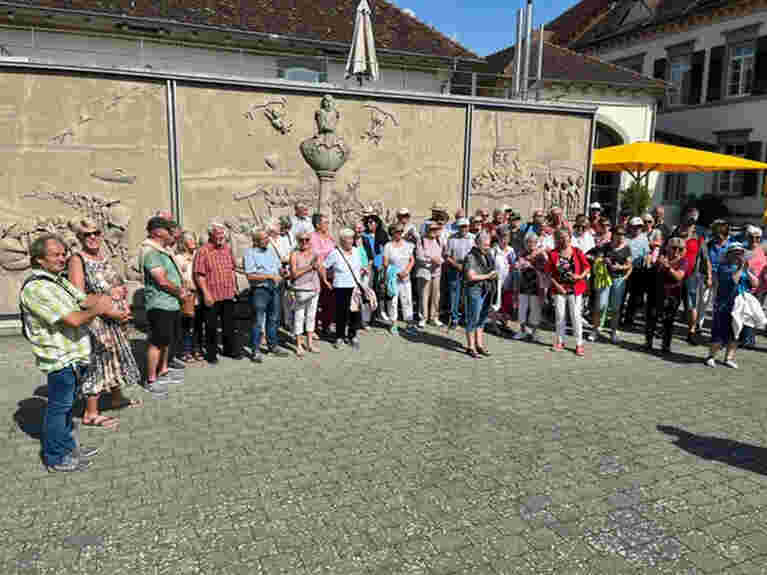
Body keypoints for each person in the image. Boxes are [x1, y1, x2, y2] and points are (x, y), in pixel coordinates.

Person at [20, 234, 115, 472]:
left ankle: (67, 446)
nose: (62, 258)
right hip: (60, 358)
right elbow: (73, 319)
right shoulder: (36, 288)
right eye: (56, 255)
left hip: (75, 355)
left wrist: (106, 296)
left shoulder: (58, 281)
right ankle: (54, 457)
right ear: (39, 259)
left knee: (67, 406)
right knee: (58, 408)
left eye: (63, 254)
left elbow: (83, 300)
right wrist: (100, 308)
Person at [67, 218, 141, 429]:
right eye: (86, 234)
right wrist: (109, 308)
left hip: (113, 318)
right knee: (98, 362)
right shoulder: (77, 259)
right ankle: (91, 413)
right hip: (96, 321)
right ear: (79, 238)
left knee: (115, 356)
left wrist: (122, 304)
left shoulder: (102, 255)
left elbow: (114, 283)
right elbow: (79, 296)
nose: (92, 237)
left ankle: (117, 397)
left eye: (96, 233)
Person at [142, 217, 187, 395]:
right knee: (157, 341)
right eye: (168, 230)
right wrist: (179, 292)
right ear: (158, 232)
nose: (171, 234)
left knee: (166, 340)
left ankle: (163, 371)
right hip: (159, 303)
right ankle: (151, 379)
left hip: (170, 303)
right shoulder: (151, 252)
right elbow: (161, 280)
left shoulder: (163, 251)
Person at [704, 242, 758, 369]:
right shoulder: (723, 267)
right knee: (719, 331)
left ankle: (729, 358)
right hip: (724, 305)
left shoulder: (744, 268)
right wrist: (740, 268)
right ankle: (711, 356)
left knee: (735, 332)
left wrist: (747, 271)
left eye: (740, 253)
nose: (739, 255)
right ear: (729, 254)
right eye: (736, 253)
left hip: (740, 306)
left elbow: (755, 283)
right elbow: (733, 280)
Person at [194, 221, 240, 363]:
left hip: (227, 292)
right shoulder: (203, 251)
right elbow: (198, 275)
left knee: (229, 325)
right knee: (211, 326)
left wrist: (235, 287)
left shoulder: (227, 249)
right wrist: (206, 294)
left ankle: (229, 350)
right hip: (212, 295)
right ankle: (211, 354)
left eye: (223, 233)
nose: (221, 236)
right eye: (218, 233)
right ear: (210, 235)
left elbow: (232, 268)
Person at [244, 228, 289, 363]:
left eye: (267, 237)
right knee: (258, 321)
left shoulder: (270, 251)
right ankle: (255, 350)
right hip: (260, 291)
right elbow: (250, 276)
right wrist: (269, 276)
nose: (268, 240)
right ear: (256, 241)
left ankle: (272, 345)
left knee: (274, 319)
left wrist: (282, 271)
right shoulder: (250, 253)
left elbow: (277, 268)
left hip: (274, 289)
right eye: (264, 238)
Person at [546, 227, 591, 356]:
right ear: (557, 239)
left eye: (565, 237)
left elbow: (587, 267)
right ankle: (560, 341)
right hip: (559, 288)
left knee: (576, 316)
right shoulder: (553, 253)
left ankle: (579, 344)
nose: (563, 240)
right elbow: (549, 273)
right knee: (560, 316)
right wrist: (557, 286)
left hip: (575, 288)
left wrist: (580, 276)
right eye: (560, 238)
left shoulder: (577, 252)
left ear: (570, 238)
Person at [587, 225, 631, 343]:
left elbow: (629, 264)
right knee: (600, 305)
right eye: (618, 234)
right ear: (613, 235)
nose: (621, 236)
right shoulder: (606, 246)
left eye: (623, 234)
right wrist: (602, 260)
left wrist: (620, 267)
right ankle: (595, 330)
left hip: (618, 279)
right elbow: (595, 257)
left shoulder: (626, 248)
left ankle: (613, 332)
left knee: (615, 308)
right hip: (605, 278)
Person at [320, 228, 363, 349]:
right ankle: (339, 336)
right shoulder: (335, 253)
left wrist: (363, 270)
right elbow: (323, 266)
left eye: (352, 238)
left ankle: (352, 335)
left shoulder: (356, 251)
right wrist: (325, 280)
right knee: (341, 313)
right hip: (341, 287)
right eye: (348, 239)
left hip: (354, 286)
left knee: (354, 313)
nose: (350, 241)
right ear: (342, 240)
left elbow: (359, 266)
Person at [645, 237, 687, 353]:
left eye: (680, 249)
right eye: (674, 248)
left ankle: (666, 345)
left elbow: (679, 276)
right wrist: (654, 262)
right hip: (656, 293)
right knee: (651, 318)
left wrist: (668, 267)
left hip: (672, 295)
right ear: (668, 248)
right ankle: (648, 342)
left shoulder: (683, 261)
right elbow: (650, 271)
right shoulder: (660, 258)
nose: (676, 251)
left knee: (668, 321)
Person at [462, 232, 497, 358]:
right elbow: (470, 276)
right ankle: (470, 347)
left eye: (489, 245)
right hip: (474, 290)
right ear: (477, 244)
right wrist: (488, 276)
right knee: (473, 318)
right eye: (485, 245)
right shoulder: (471, 256)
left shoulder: (487, 255)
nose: (488, 247)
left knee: (482, 319)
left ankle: (479, 345)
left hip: (486, 289)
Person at [696, 219, 732, 336]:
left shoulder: (730, 246)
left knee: (718, 303)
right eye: (716, 236)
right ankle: (698, 325)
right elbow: (706, 261)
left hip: (722, 277)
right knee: (703, 301)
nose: (718, 239)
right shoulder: (709, 244)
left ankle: (715, 326)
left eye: (720, 236)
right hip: (707, 275)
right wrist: (709, 277)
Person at [289, 227, 321, 356]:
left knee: (311, 316)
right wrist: (310, 267)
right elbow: (294, 274)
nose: (304, 242)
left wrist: (321, 275)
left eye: (307, 239)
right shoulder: (294, 255)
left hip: (314, 288)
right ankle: (298, 344)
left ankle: (309, 343)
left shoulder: (314, 253)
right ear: (297, 241)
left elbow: (319, 268)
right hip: (300, 289)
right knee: (299, 317)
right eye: (301, 240)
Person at [176, 230, 204, 363]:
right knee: (187, 323)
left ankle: (197, 348)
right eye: (189, 239)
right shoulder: (179, 258)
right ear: (183, 242)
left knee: (199, 323)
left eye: (193, 238)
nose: (193, 242)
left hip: (200, 293)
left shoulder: (198, 255)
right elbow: (178, 275)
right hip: (188, 294)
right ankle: (185, 351)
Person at [383, 223, 415, 334]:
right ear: (392, 232)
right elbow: (385, 263)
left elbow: (412, 260)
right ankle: (393, 323)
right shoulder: (388, 246)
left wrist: (406, 271)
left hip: (406, 277)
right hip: (393, 278)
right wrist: (396, 272)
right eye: (397, 231)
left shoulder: (407, 245)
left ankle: (409, 324)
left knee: (407, 300)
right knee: (393, 301)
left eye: (401, 231)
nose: (400, 233)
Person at [512, 232, 545, 341]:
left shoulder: (540, 254)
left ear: (536, 243)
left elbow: (544, 269)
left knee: (535, 309)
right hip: (523, 284)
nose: (530, 244)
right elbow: (516, 266)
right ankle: (522, 330)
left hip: (536, 285)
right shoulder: (522, 253)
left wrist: (531, 265)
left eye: (533, 242)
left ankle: (535, 332)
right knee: (522, 308)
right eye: (528, 242)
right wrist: (517, 266)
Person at [622, 217, 650, 329]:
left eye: (639, 227)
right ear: (630, 227)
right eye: (635, 227)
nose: (637, 229)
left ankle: (629, 319)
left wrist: (647, 264)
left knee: (635, 296)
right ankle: (618, 316)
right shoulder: (625, 238)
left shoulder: (644, 238)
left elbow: (647, 253)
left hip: (638, 271)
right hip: (625, 269)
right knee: (622, 294)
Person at [310, 214, 336, 336]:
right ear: (317, 225)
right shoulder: (313, 238)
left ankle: (326, 325)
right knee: (316, 302)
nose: (327, 225)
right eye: (325, 222)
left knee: (329, 301)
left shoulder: (329, 237)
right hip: (318, 274)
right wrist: (324, 278)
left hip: (332, 272)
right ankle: (313, 328)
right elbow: (317, 256)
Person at [445, 218, 473, 328]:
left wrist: (467, 267)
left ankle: (466, 318)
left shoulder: (473, 238)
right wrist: (457, 265)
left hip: (469, 267)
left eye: (465, 226)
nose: (464, 228)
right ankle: (454, 318)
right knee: (454, 294)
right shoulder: (452, 238)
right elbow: (447, 255)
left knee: (467, 294)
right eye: (461, 226)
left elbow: (476, 255)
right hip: (454, 266)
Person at [361, 213, 389, 323]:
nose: (369, 224)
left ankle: (381, 312)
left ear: (377, 223)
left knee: (381, 289)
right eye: (367, 222)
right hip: (368, 265)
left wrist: (381, 264)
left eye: (371, 222)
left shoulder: (382, 234)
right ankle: (368, 314)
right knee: (369, 289)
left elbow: (384, 251)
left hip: (380, 265)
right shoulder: (364, 235)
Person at [415, 221, 444, 327]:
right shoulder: (421, 240)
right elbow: (419, 256)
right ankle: (423, 318)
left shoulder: (439, 240)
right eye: (431, 229)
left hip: (436, 272)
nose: (433, 231)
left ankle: (434, 317)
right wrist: (432, 259)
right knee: (424, 295)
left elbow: (443, 253)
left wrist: (440, 260)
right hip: (425, 272)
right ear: (427, 229)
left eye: (436, 229)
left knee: (436, 295)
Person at [740, 225, 764, 348]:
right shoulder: (742, 251)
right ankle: (745, 339)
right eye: (752, 237)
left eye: (758, 238)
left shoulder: (763, 250)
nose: (755, 240)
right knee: (745, 313)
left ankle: (750, 339)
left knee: (755, 313)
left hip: (760, 287)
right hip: (745, 286)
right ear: (747, 237)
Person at [488, 226, 515, 333]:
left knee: (506, 304)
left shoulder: (511, 250)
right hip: (496, 282)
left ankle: (505, 324)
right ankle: (493, 325)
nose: (505, 239)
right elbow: (490, 267)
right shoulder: (493, 251)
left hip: (508, 280)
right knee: (495, 305)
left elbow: (513, 265)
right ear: (498, 237)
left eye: (507, 237)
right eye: (503, 237)